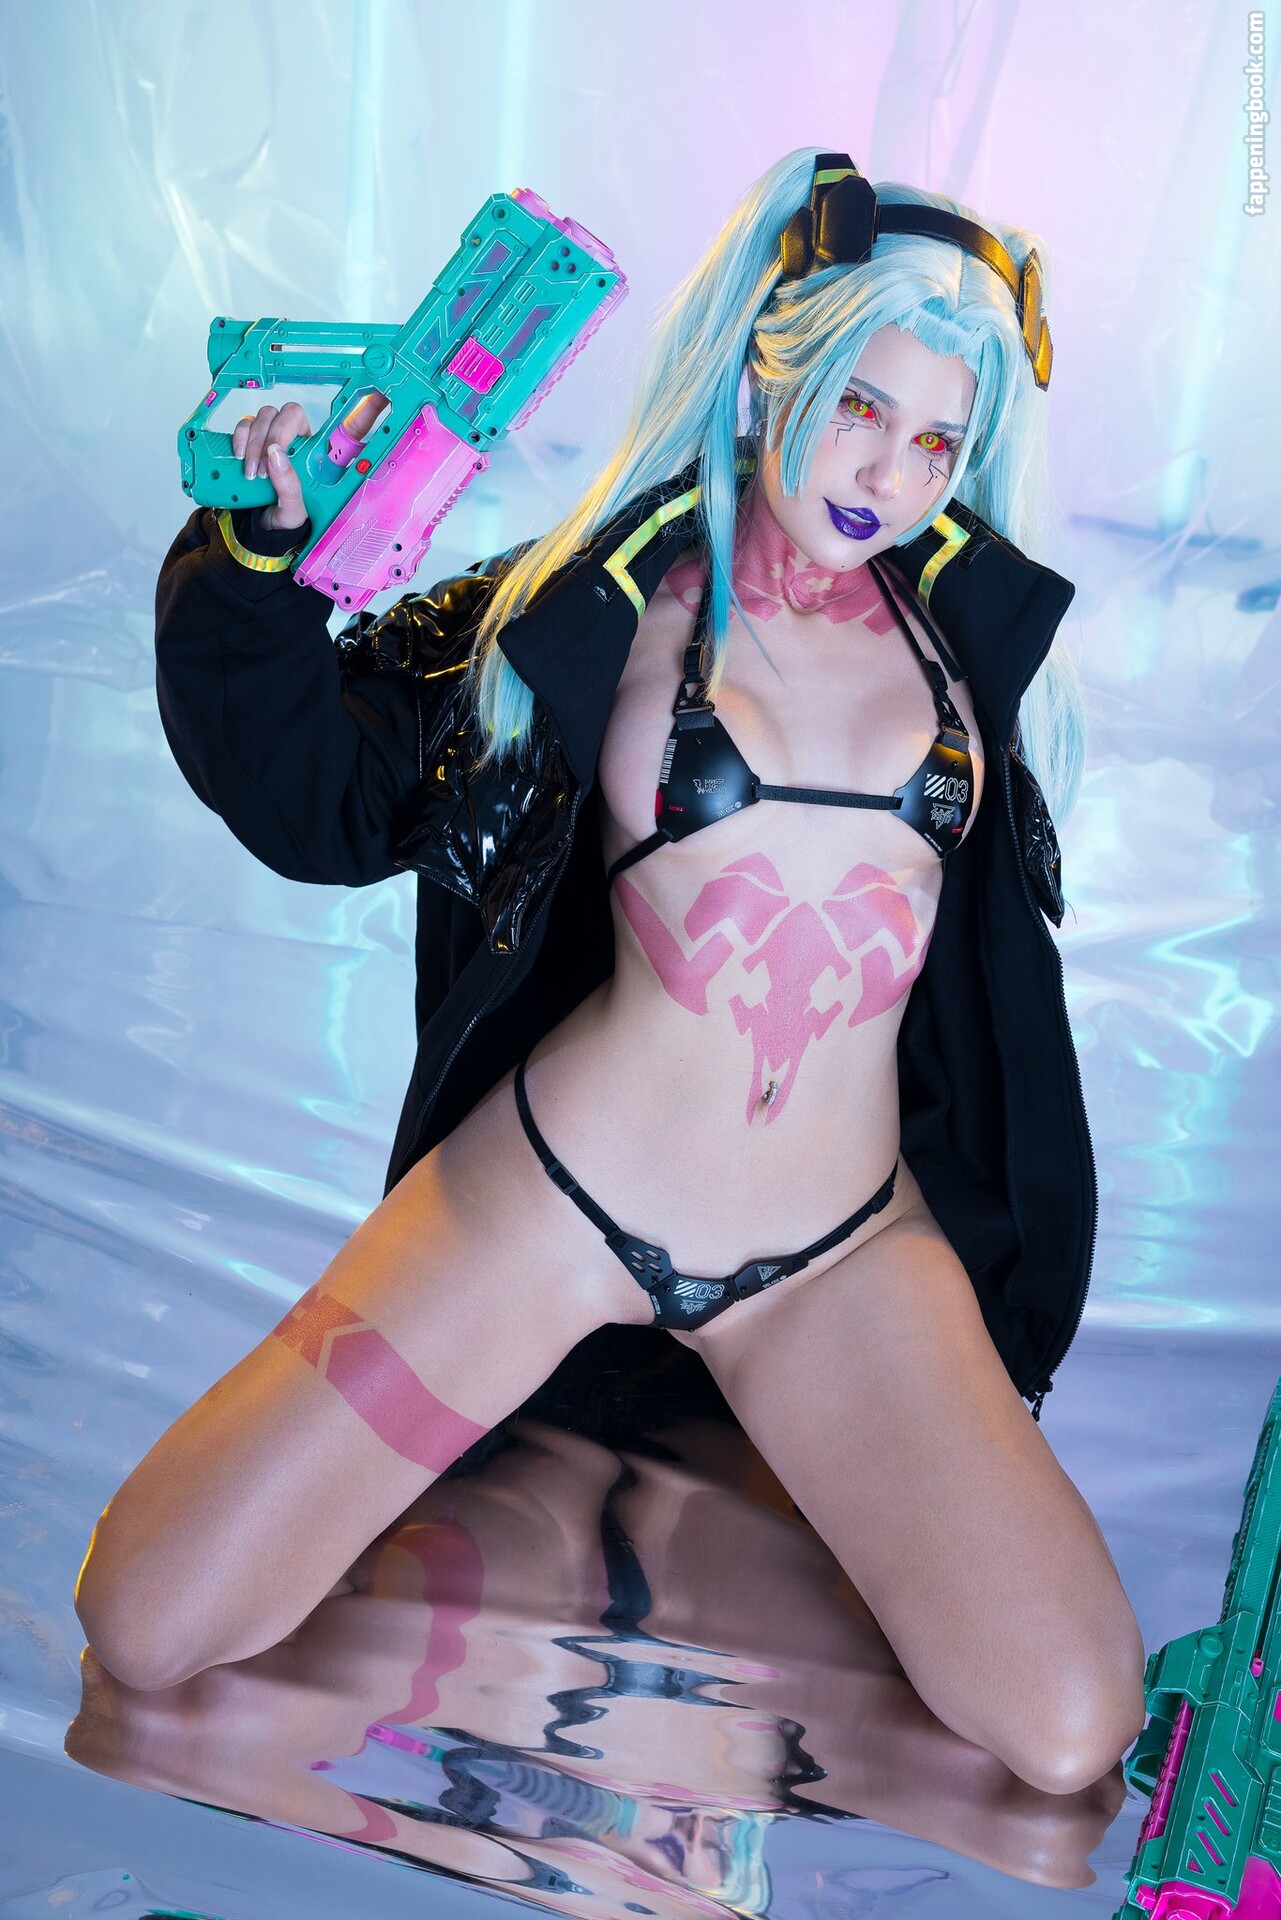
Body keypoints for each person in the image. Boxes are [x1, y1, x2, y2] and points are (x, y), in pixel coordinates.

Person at [74, 149, 1147, 1796]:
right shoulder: (577, 615)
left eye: (937, 439)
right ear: (765, 375)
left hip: (837, 1252)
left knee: (1069, 1729)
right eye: (858, 407)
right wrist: (259, 564)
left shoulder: (969, 650)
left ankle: (633, 1551)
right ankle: (539, 1588)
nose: (889, 473)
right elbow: (323, 800)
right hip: (554, 1201)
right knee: (150, 1621)